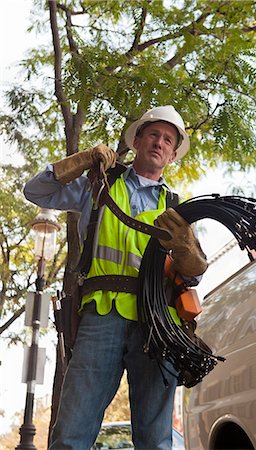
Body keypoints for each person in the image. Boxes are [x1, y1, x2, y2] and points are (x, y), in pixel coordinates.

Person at [24, 105, 208, 450]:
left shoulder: (178, 209)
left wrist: (186, 250)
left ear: (171, 155)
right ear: (137, 140)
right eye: (153, 134)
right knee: (71, 432)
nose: (159, 142)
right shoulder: (97, 186)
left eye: (168, 140)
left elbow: (193, 274)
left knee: (155, 440)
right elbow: (35, 192)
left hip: (158, 323)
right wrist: (80, 160)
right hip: (101, 316)